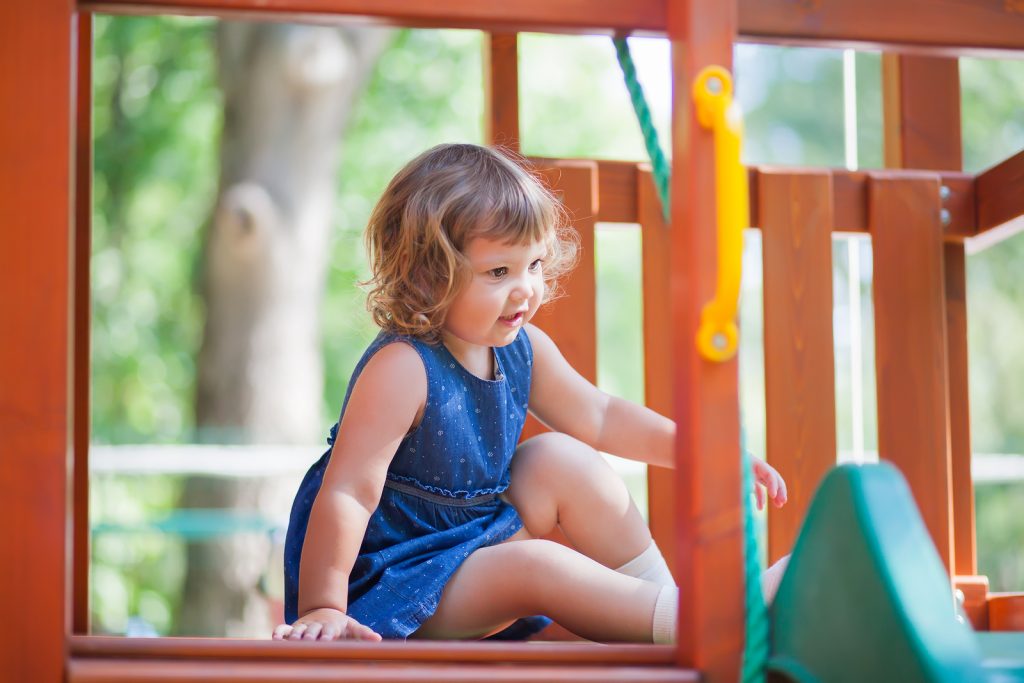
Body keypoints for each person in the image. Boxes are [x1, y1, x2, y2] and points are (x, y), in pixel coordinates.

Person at [272, 143, 788, 644]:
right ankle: (702, 623)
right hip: (397, 584)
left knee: (562, 458)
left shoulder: (522, 348)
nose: (526, 289)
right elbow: (347, 492)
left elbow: (601, 417)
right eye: (499, 272)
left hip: (476, 540)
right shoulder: (403, 368)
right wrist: (325, 607)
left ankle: (671, 612)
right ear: (429, 276)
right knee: (536, 564)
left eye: (534, 265)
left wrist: (710, 457)